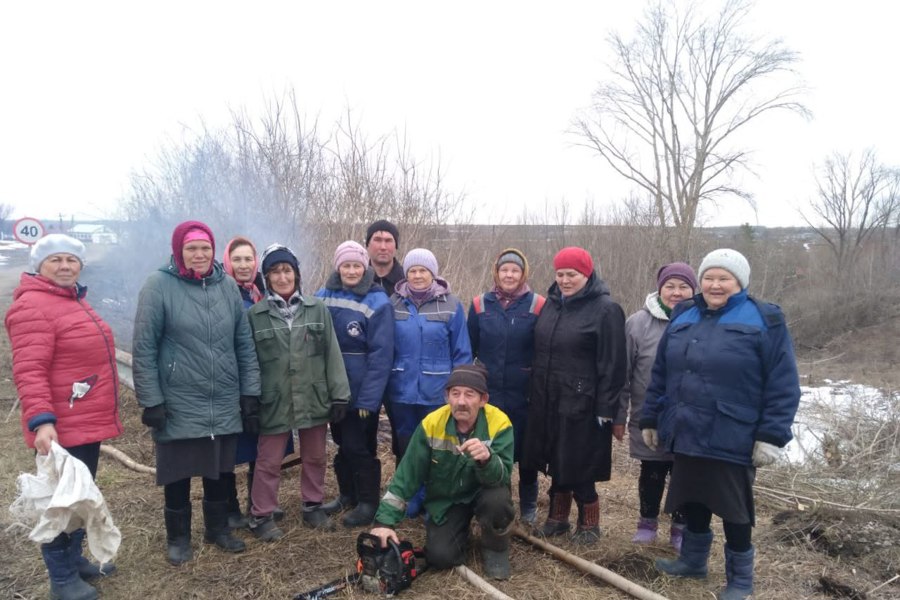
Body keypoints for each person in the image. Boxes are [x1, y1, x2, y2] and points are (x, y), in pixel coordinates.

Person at [640, 248, 801, 600]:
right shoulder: (684, 314)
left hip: (733, 433)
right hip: (686, 426)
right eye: (709, 277)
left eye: (723, 278)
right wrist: (650, 417)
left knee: (734, 509)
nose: (715, 285)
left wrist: (772, 434)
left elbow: (783, 383)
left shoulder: (764, 319)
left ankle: (740, 581)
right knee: (692, 497)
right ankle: (693, 563)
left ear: (739, 282)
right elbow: (662, 374)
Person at [133, 220, 261, 565]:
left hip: (222, 396)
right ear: (179, 251)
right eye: (192, 248)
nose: (200, 255)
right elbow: (144, 348)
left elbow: (243, 344)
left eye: (205, 248)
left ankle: (217, 530)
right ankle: (178, 538)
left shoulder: (226, 288)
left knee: (220, 468)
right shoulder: (158, 286)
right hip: (178, 398)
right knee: (177, 472)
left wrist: (250, 393)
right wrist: (151, 399)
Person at [6, 234, 122, 600]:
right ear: (38, 266)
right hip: (61, 425)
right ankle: (61, 580)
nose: (65, 266)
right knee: (60, 500)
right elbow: (29, 370)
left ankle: (74, 562)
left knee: (79, 494)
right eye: (55, 260)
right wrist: (42, 421)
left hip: (83, 419)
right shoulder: (33, 307)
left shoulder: (71, 300)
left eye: (71, 260)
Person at [245, 244, 352, 540]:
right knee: (268, 461)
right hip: (274, 398)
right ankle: (262, 514)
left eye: (287, 270)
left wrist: (339, 394)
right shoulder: (256, 315)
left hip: (313, 395)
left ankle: (312, 505)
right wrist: (250, 399)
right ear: (267, 278)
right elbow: (250, 361)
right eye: (275, 272)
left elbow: (332, 352)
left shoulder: (317, 308)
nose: (282, 277)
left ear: (296, 274)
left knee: (316, 456)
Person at [370, 364, 515, 580]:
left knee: (498, 498)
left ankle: (495, 548)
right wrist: (384, 522)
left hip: (484, 492)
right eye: (455, 394)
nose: (461, 401)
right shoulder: (431, 424)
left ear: (483, 399)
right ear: (447, 396)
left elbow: (502, 476)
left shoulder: (499, 423)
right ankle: (459, 532)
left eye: (469, 394)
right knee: (440, 557)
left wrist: (487, 459)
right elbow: (407, 475)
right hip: (448, 500)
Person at [522, 246, 626, 545]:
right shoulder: (552, 304)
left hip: (585, 403)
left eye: (573, 274)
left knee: (581, 463)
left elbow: (614, 364)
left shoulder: (606, 310)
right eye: (560, 274)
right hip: (548, 398)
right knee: (557, 458)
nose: (565, 280)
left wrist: (607, 408)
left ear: (587, 274)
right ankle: (557, 519)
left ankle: (589, 523)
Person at [388, 248, 472, 518]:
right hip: (401, 390)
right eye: (412, 270)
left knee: (436, 447)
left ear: (433, 274)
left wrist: (457, 392)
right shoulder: (394, 303)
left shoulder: (450, 305)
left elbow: (462, 353)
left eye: (423, 270)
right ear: (406, 274)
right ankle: (409, 496)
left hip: (436, 393)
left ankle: (432, 498)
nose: (417, 275)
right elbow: (384, 346)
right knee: (406, 446)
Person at [619, 262, 697, 551]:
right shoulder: (637, 323)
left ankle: (679, 528)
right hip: (648, 414)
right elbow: (623, 374)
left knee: (684, 475)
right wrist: (619, 415)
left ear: (694, 290)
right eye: (670, 286)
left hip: (689, 417)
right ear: (659, 288)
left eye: (683, 287)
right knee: (651, 472)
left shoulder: (704, 320)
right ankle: (647, 523)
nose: (676, 293)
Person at [316, 241, 394, 527]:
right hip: (332, 391)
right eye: (346, 265)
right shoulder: (322, 296)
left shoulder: (377, 302)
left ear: (365, 268)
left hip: (361, 393)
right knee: (341, 443)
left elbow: (381, 355)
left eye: (357, 266)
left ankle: (368, 502)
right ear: (338, 267)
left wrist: (369, 400)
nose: (351, 271)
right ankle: (347, 494)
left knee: (359, 446)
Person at [467, 248, 544, 523]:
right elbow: (471, 347)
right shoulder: (479, 305)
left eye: (515, 270)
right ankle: (496, 502)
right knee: (493, 448)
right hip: (489, 393)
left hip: (524, 392)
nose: (509, 275)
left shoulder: (537, 305)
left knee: (526, 450)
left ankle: (529, 506)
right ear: (496, 273)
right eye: (504, 270)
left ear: (523, 273)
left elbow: (543, 347)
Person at [366, 219, 404, 296]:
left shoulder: (407, 282)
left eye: (388, 241)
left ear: (395, 246)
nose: (383, 247)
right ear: (368, 245)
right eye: (377, 240)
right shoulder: (357, 280)